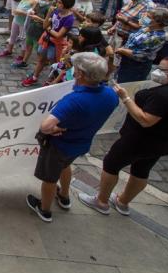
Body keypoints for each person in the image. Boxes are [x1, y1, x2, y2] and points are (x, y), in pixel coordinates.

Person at [26, 52, 118, 223]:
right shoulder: (110, 95)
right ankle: (64, 195)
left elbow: (45, 127)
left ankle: (44, 209)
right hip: (80, 144)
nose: (73, 71)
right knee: (65, 166)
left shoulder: (74, 100)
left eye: (76, 69)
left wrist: (55, 129)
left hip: (59, 145)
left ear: (80, 74)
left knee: (49, 178)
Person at [78, 57, 168, 216]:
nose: (157, 72)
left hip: (140, 139)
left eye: (163, 70)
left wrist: (125, 97)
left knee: (111, 163)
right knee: (141, 170)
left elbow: (145, 120)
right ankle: (122, 202)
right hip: (162, 142)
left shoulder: (163, 95)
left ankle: (101, 201)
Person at [115, 7, 168, 82]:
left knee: (127, 85)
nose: (145, 18)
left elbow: (141, 55)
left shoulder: (157, 37)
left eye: (148, 17)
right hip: (126, 61)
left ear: (157, 22)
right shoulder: (148, 27)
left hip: (136, 66)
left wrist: (122, 50)